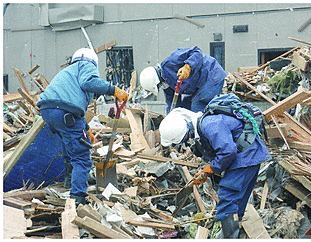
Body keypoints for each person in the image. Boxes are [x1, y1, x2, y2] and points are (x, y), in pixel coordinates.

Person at [159, 107, 271, 238]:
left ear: (185, 133)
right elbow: (221, 150)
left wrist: (210, 169)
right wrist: (206, 171)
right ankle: (232, 230)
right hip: (251, 155)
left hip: (246, 156)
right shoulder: (204, 126)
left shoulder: (210, 125)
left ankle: (229, 237)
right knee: (237, 199)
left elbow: (228, 151)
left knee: (227, 196)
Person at [37, 48, 128, 204]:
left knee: (69, 145)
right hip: (65, 112)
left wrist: (85, 128)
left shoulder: (69, 72)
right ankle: (78, 197)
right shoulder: (86, 65)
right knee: (81, 157)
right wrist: (113, 90)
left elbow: (75, 107)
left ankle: (69, 181)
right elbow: (89, 82)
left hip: (48, 111)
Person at [140, 46, 227, 113]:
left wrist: (188, 66)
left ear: (157, 81)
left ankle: (199, 134)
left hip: (212, 75)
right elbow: (173, 105)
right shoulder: (167, 84)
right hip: (200, 85)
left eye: (158, 86)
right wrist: (170, 119)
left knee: (197, 107)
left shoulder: (171, 62)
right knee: (185, 106)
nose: (161, 88)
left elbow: (197, 51)